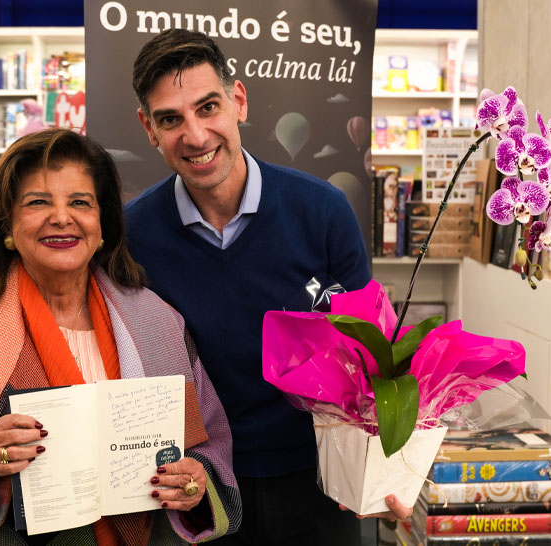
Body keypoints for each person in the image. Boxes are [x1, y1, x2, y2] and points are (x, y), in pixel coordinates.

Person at [125, 29, 411, 546]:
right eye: (171, 119)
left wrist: (388, 464)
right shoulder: (132, 234)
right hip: (196, 484)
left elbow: (371, 349)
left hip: (319, 476)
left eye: (208, 107)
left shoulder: (322, 210)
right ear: (149, 128)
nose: (194, 135)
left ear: (238, 100)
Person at [0, 128, 241, 545]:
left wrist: (194, 478)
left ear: (102, 224)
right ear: (7, 225)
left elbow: (210, 440)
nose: (61, 217)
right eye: (38, 202)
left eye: (80, 202)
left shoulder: (158, 322)